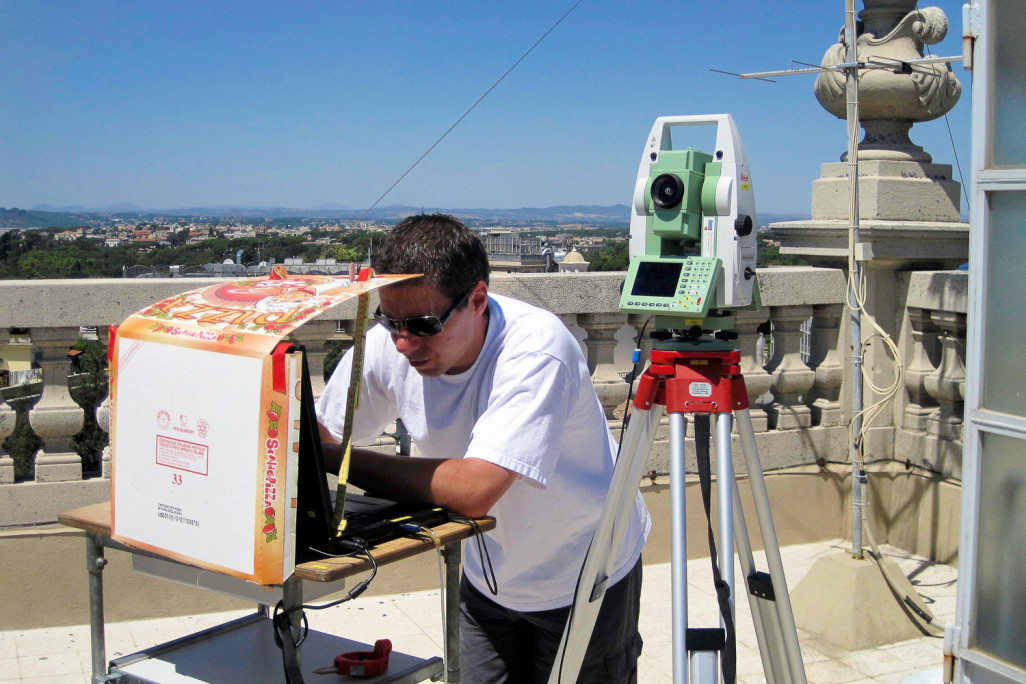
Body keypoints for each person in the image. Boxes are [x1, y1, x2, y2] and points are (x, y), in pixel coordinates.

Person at [316, 213, 650, 683]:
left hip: (585, 571)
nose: (404, 343)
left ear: (476, 300)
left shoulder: (535, 350)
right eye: (389, 322)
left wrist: (340, 463)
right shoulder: (390, 345)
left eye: (423, 324)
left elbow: (475, 490)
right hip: (490, 574)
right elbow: (319, 435)